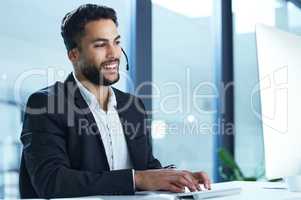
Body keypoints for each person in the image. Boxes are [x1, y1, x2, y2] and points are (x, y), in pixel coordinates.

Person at [19, 4, 211, 199]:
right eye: (101, 45)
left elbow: (146, 168)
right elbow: (51, 181)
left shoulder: (133, 106)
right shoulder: (46, 104)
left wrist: (178, 177)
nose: (113, 53)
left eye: (116, 42)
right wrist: (136, 179)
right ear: (74, 55)